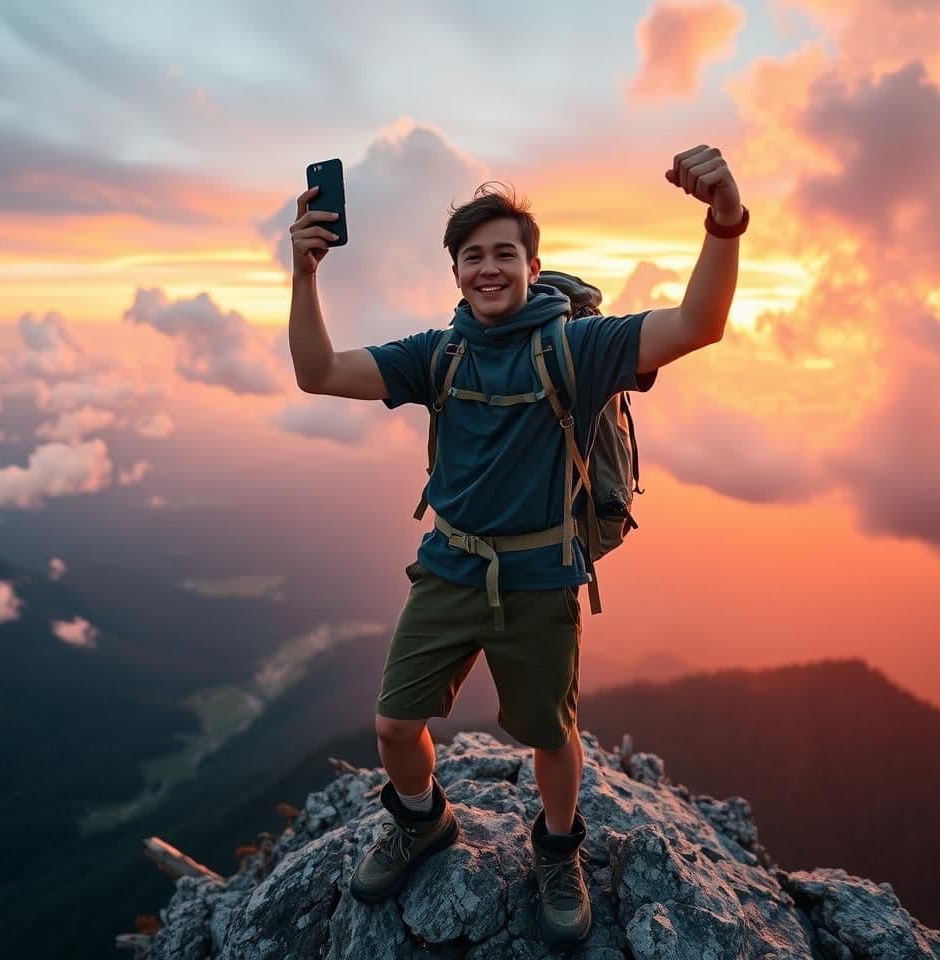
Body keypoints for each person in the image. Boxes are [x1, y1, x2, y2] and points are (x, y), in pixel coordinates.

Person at [287, 144, 745, 946]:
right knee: (396, 726)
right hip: (448, 569)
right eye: (474, 256)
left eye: (506, 253)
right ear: (457, 271)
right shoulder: (440, 352)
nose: (489, 268)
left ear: (534, 265)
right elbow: (318, 371)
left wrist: (725, 220)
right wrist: (305, 274)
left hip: (539, 579)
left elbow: (698, 324)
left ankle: (558, 848)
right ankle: (423, 819)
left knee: (549, 736)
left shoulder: (578, 347)